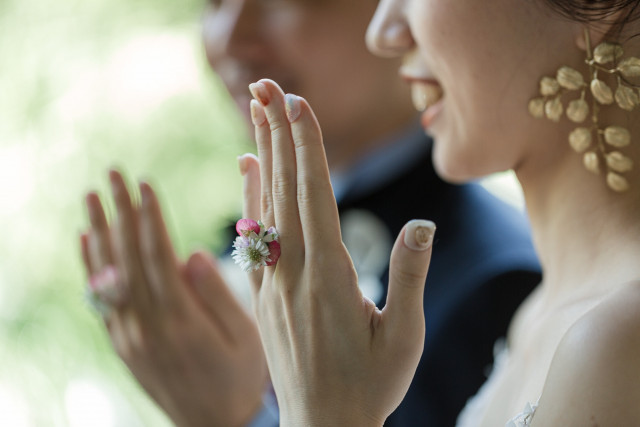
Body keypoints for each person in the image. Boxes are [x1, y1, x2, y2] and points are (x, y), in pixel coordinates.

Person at [81, 0, 542, 426]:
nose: (227, 37)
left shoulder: (497, 282)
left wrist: (236, 417)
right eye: (215, 0)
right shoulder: (252, 241)